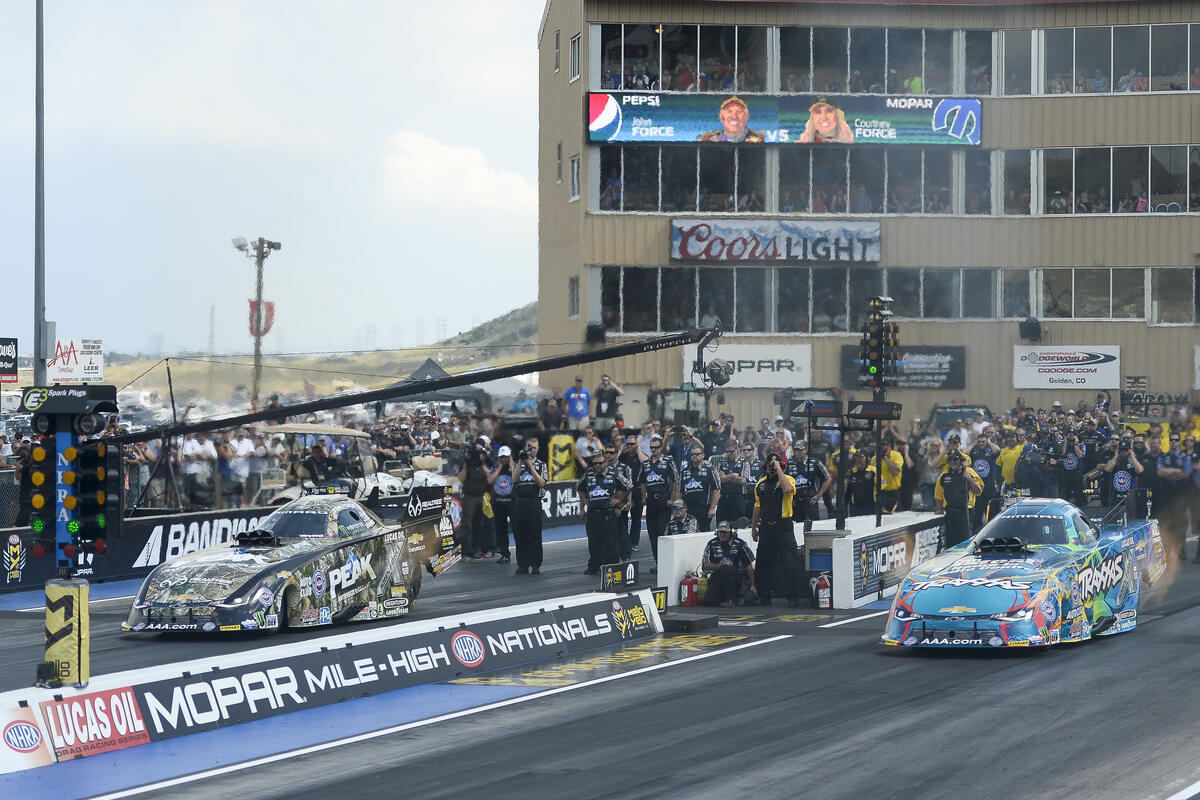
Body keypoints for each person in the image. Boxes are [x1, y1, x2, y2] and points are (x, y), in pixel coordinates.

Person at [750, 452, 801, 607]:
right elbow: (757, 506)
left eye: (775, 464)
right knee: (763, 562)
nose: (772, 468)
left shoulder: (788, 479)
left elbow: (787, 490)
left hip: (783, 526)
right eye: (770, 465)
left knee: (789, 562)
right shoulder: (761, 484)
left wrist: (779, 469)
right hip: (766, 526)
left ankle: (792, 596)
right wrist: (753, 527)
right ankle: (764, 596)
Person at [578, 450, 631, 575]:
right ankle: (594, 566)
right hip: (592, 513)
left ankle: (612, 567)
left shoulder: (614, 473)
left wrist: (619, 500)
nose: (597, 466)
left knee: (610, 542)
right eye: (595, 463)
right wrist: (584, 502)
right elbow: (579, 487)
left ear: (606, 462)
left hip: (608, 513)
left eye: (600, 463)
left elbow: (629, 486)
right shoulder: (588, 473)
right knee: (593, 541)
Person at [639, 434, 679, 573]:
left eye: (656, 447)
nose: (654, 450)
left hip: (664, 501)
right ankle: (658, 563)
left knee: (663, 533)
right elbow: (642, 481)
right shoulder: (646, 464)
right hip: (651, 502)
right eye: (651, 447)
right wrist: (644, 497)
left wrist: (672, 500)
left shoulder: (668, 461)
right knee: (652, 534)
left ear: (661, 448)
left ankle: (666, 562)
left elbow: (675, 480)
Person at [511, 438, 548, 575]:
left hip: (534, 502)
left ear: (538, 449)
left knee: (535, 535)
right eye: (529, 447)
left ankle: (536, 564)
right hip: (520, 502)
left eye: (534, 447)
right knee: (520, 535)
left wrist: (530, 466)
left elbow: (542, 483)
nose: (531, 450)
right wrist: (521, 461)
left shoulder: (541, 464)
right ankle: (523, 565)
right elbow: (514, 480)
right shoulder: (517, 463)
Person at [701, 521, 756, 607]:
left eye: (725, 532)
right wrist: (721, 565)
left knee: (727, 569)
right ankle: (724, 597)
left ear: (730, 532)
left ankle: (731, 599)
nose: (722, 534)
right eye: (720, 532)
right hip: (718, 576)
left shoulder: (739, 544)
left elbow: (749, 566)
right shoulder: (711, 544)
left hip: (737, 578)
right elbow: (705, 565)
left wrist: (753, 585)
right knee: (708, 601)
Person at [936, 450, 983, 547]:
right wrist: (939, 509)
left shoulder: (969, 472)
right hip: (950, 512)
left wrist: (969, 478)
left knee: (965, 541)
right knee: (951, 541)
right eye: (950, 460)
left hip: (965, 512)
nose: (953, 462)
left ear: (961, 461)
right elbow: (938, 494)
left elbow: (978, 491)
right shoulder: (944, 475)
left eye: (955, 459)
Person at [457, 436, 494, 560]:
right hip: (469, 497)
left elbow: (490, 476)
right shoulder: (466, 462)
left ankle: (477, 549)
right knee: (467, 524)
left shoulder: (485, 460)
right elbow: (461, 479)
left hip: (482, 496)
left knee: (480, 524)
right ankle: (466, 551)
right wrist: (466, 465)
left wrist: (482, 462)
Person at [785, 439, 831, 532]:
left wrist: (818, 495)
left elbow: (828, 478)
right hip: (795, 503)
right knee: (796, 529)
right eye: (796, 450)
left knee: (814, 529)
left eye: (801, 449)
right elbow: (781, 481)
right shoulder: (789, 464)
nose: (798, 452)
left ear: (806, 450)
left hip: (811, 501)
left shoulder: (814, 462)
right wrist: (788, 498)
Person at [487, 445, 517, 564]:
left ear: (510, 457)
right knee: (501, 530)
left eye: (506, 456)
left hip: (513, 502)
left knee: (517, 528)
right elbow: (489, 481)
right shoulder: (495, 467)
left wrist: (511, 466)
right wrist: (499, 468)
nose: (504, 459)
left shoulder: (515, 467)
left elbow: (517, 478)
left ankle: (521, 552)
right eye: (502, 457)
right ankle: (504, 554)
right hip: (498, 503)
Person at [678, 447, 721, 530]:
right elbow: (680, 491)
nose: (694, 456)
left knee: (703, 530)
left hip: (704, 507)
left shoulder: (710, 470)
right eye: (692, 454)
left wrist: (712, 508)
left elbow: (717, 489)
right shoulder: (684, 472)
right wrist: (679, 507)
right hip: (688, 508)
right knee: (688, 531)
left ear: (703, 455)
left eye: (697, 454)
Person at [618, 434, 647, 553]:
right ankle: (624, 541)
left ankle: (634, 542)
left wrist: (638, 449)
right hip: (624, 491)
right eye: (628, 444)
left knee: (636, 518)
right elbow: (611, 462)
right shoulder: (623, 457)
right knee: (623, 517)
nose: (630, 446)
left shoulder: (640, 455)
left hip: (637, 490)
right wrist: (620, 450)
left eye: (632, 444)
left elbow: (645, 462)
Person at [697, 96, 764, 143]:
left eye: (739, 112)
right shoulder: (708, 140)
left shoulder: (758, 140)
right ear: (721, 116)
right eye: (729, 111)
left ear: (746, 117)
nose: (734, 116)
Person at [715, 441, 750, 525]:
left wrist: (726, 477)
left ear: (737, 449)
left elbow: (743, 480)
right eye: (727, 451)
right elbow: (720, 479)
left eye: (732, 451)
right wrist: (733, 475)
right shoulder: (722, 462)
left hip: (737, 499)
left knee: (738, 526)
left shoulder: (744, 462)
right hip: (724, 498)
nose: (729, 453)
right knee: (721, 525)